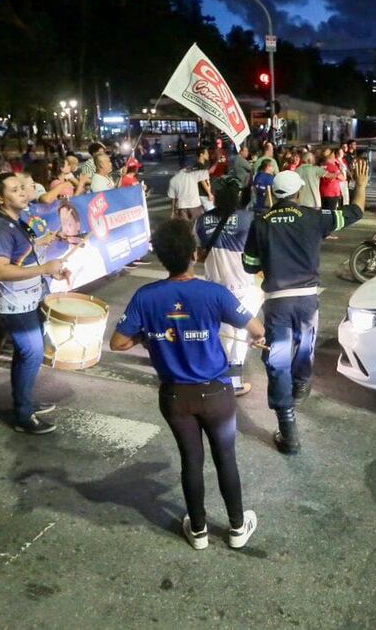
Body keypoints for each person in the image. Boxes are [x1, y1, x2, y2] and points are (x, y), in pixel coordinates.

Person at [111, 218, 264, 550]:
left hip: (175, 396)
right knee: (225, 458)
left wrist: (148, 336)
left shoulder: (146, 296)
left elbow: (118, 343)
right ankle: (237, 529)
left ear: (162, 257)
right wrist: (258, 337)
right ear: (194, 254)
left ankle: (198, 532)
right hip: (217, 394)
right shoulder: (213, 292)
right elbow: (256, 328)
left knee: (191, 460)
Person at [243, 160, 368, 454]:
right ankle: (302, 385)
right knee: (304, 346)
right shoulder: (314, 217)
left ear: (274, 194)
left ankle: (289, 433)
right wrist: (360, 186)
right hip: (308, 299)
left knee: (277, 360)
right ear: (299, 194)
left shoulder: (261, 222)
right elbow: (356, 211)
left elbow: (249, 266)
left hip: (277, 303)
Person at [0, 173, 67, 434]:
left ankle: (26, 401)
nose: (23, 192)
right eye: (15, 189)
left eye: (23, 187)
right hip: (13, 304)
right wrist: (45, 268)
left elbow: (24, 255)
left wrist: (50, 266)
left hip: (29, 298)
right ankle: (23, 415)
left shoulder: (17, 220)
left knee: (28, 354)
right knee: (31, 353)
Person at [195, 180, 262, 396]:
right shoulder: (248, 219)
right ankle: (235, 381)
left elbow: (197, 254)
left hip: (214, 287)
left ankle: (219, 377)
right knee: (242, 332)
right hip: (244, 286)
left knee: (224, 332)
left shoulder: (202, 221)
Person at [167, 151, 211, 221]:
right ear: (187, 167)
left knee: (185, 228)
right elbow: (207, 173)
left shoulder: (173, 180)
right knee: (196, 227)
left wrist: (173, 212)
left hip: (182, 208)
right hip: (195, 206)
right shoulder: (193, 175)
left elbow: (173, 199)